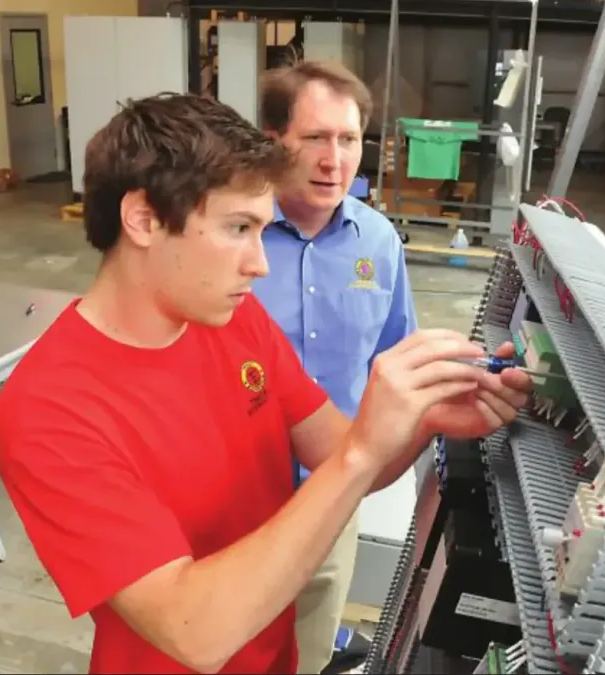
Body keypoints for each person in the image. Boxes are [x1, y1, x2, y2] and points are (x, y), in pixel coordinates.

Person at [0, 93, 531, 675]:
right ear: (143, 219)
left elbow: (335, 453)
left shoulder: (233, 320)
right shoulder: (49, 411)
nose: (260, 263)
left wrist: (425, 418)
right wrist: (362, 450)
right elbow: (194, 633)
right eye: (238, 229)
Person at [252, 60, 417, 674]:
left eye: (349, 140)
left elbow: (394, 359)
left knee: (310, 643)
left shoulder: (378, 243)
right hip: (229, 497)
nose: (335, 160)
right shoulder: (229, 234)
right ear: (274, 141)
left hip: (328, 494)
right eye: (316, 138)